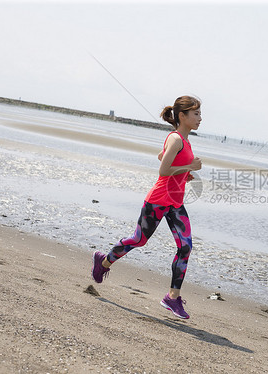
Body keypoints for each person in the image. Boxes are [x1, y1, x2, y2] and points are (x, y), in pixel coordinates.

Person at [91, 96, 202, 319]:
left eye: (199, 114)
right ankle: (103, 262)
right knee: (139, 240)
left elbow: (162, 156)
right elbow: (163, 170)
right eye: (196, 114)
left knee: (186, 246)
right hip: (159, 200)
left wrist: (184, 174)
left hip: (175, 203)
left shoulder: (184, 141)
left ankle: (172, 297)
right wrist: (189, 166)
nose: (200, 118)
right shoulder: (176, 139)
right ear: (182, 116)